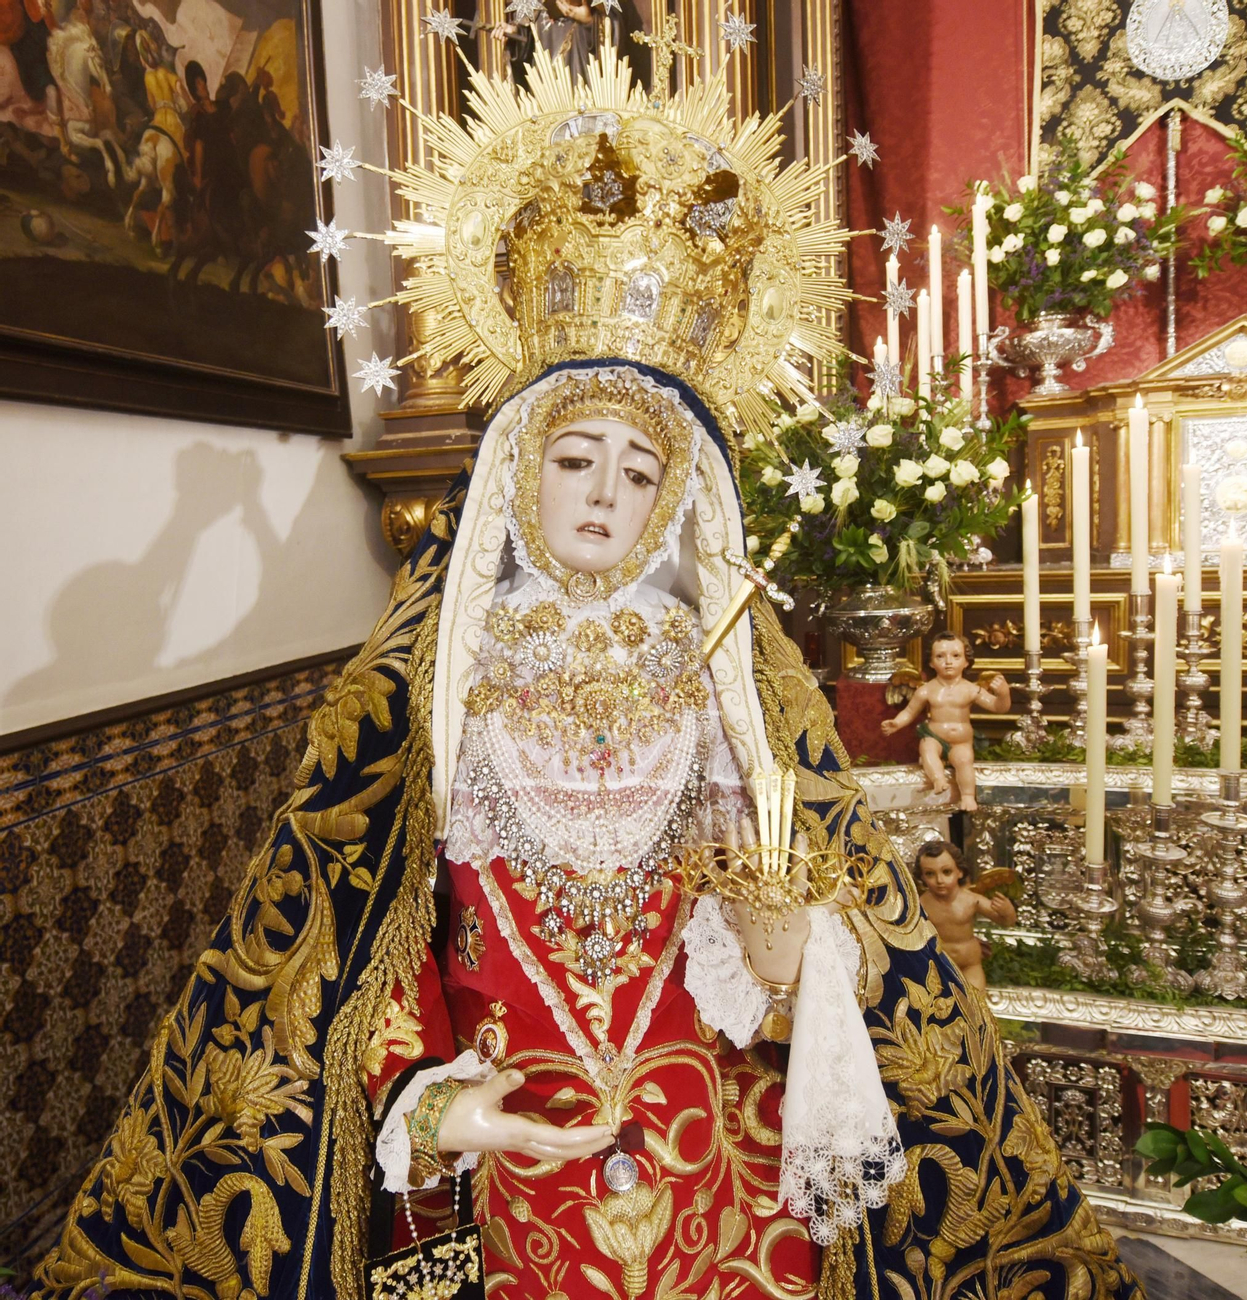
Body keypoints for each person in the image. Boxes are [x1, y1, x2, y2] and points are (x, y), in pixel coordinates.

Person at [33, 42, 1141, 1300]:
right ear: (519, 471)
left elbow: (802, 925)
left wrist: (790, 944)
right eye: (577, 459)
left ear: (676, 501)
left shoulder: (729, 669)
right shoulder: (430, 671)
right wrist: (431, 1099)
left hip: (712, 1128)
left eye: (637, 468)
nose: (606, 492)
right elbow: (351, 931)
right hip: (511, 1130)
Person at [882, 631, 1010, 811]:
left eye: (956, 656)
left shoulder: (970, 689)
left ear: (966, 661)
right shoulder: (927, 690)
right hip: (935, 735)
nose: (948, 662)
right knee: (927, 748)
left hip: (961, 741)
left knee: (964, 761)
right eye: (940, 656)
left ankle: (967, 796)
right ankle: (938, 779)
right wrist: (896, 723)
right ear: (931, 662)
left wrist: (1003, 693)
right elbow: (910, 711)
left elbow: (998, 707)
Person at [915, 839, 1016, 990]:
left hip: (970, 965)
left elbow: (1006, 922)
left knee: (975, 1003)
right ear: (922, 877)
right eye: (930, 874)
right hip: (937, 966)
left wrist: (1008, 912)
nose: (939, 880)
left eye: (946, 872)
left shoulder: (971, 900)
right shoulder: (921, 905)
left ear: (959, 871)